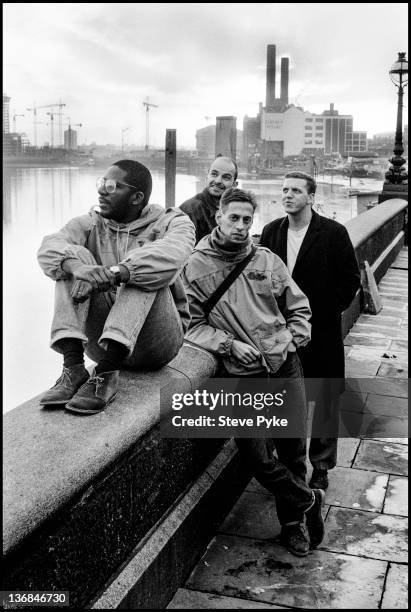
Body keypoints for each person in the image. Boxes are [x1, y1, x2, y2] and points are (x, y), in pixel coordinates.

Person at [182, 187, 325, 557]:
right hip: (242, 373)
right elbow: (190, 324)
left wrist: (292, 338)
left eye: (248, 220)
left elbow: (299, 306)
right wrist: (228, 345)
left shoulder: (266, 259)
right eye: (234, 218)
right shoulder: (194, 266)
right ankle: (308, 499)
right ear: (218, 217)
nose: (242, 227)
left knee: (294, 451)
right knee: (256, 456)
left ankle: (293, 527)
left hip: (283, 365)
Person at [37, 159, 195, 415]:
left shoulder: (172, 221)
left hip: (157, 343)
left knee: (143, 267)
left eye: (112, 186)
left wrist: (117, 273)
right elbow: (49, 247)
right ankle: (73, 368)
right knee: (70, 256)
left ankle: (106, 374)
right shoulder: (90, 223)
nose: (101, 191)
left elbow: (173, 252)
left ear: (136, 197)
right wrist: (77, 268)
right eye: (102, 183)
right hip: (101, 343)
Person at [260, 171, 360, 490]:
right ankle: (292, 464)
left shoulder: (333, 232)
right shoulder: (271, 232)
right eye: (284, 190)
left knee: (325, 395)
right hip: (281, 331)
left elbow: (350, 280)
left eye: (295, 191)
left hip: (322, 329)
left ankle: (321, 465)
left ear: (311, 197)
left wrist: (325, 313)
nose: (287, 195)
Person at [179, 155, 238, 243]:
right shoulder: (190, 210)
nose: (218, 181)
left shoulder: (237, 210)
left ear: (234, 185)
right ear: (207, 177)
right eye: (214, 174)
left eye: (226, 177)